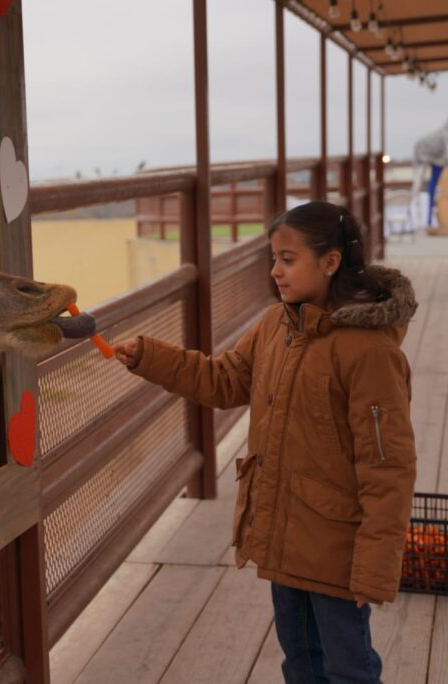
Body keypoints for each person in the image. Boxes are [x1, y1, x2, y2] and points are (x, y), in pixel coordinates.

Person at [113, 201, 417, 684]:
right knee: (300, 663)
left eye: (288, 259)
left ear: (331, 261)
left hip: (338, 548)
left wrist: (375, 565)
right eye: (272, 259)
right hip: (283, 530)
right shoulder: (277, 326)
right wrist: (150, 357)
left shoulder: (369, 351)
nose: (275, 271)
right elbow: (223, 380)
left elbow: (388, 466)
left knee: (349, 670)